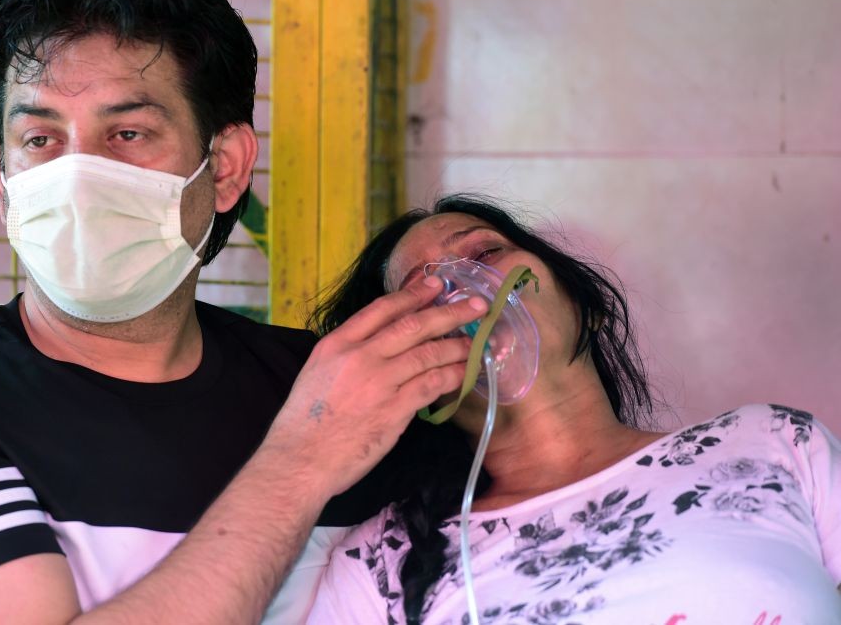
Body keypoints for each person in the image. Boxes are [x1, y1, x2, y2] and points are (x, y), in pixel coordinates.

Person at [0, 0, 489, 623]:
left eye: (127, 134)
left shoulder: (336, 386)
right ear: (1, 176)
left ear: (228, 167)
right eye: (40, 140)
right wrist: (303, 461)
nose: (79, 176)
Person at [306, 194, 841, 624]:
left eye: (485, 254)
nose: (464, 290)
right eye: (423, 291)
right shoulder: (380, 564)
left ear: (589, 309)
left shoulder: (774, 442)